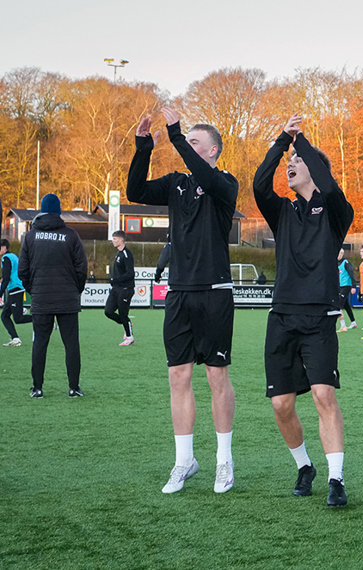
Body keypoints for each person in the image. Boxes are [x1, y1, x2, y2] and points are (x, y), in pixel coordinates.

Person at [128, 107, 238, 494]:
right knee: (178, 376)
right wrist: (143, 147)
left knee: (215, 375)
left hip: (215, 292)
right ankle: (184, 461)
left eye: (194, 143)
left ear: (212, 151)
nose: (187, 148)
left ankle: (224, 460)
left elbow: (205, 177)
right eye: (186, 140)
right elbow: (135, 192)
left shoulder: (224, 183)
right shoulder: (176, 183)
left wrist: (175, 136)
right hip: (179, 293)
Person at [253, 112, 354, 507]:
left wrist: (303, 144)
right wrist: (283, 141)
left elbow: (328, 186)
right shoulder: (283, 212)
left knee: (323, 396)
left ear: (314, 169)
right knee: (281, 404)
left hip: (319, 319)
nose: (290, 167)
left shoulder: (334, 213)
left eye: (297, 163)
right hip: (282, 318)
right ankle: (304, 466)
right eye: (290, 164)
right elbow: (261, 182)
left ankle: (335, 479)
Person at [18, 194, 88, 398]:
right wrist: (76, 290)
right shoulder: (71, 235)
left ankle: (37, 388)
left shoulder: (30, 237)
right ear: (58, 212)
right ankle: (74, 388)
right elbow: (81, 269)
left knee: (39, 343)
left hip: (41, 299)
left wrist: (34, 290)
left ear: (41, 211)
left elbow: (23, 270)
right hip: (67, 299)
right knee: (71, 344)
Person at [105, 230, 135, 346]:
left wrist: (116, 280)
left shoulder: (127, 255)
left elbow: (130, 274)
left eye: (115, 239)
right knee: (108, 311)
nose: (113, 241)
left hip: (126, 289)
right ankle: (126, 323)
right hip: (116, 288)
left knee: (123, 314)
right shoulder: (118, 253)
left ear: (121, 240)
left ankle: (129, 337)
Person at [1, 238, 33, 347]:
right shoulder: (14, 256)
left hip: (15, 289)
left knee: (18, 319)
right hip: (17, 288)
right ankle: (15, 338)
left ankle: (42, 318)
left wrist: (0, 294)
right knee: (4, 316)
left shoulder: (6, 258)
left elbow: (6, 278)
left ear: (4, 247)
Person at [336, 249, 358, 332]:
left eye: (340, 254)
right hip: (340, 286)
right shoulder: (336, 263)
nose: (338, 255)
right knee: (346, 305)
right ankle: (353, 322)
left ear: (342, 254)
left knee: (338, 306)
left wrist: (353, 286)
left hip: (346, 286)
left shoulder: (346, 263)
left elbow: (352, 274)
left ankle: (343, 326)